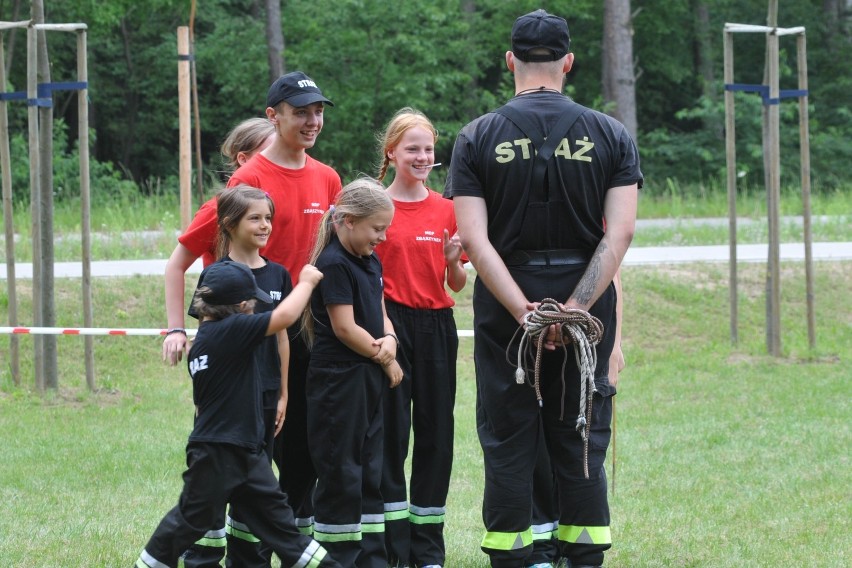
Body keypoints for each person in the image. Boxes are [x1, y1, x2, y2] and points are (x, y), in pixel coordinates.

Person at [445, 9, 642, 568]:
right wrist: (575, 312)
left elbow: (475, 242)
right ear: (568, 63)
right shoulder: (610, 133)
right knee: (579, 432)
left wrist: (525, 311)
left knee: (508, 438)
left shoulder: (477, 136)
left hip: (508, 306)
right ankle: (581, 556)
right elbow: (620, 232)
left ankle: (513, 556)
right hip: (587, 293)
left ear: (509, 61)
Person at [162, 71, 342, 542]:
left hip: (308, 333)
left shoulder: (327, 178)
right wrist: (175, 328)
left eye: (317, 111)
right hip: (251, 338)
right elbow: (182, 258)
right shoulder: (248, 181)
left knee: (303, 446)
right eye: (300, 111)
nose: (311, 120)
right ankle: (238, 548)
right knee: (244, 450)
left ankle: (294, 543)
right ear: (273, 116)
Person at [135, 259, 340, 568]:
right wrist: (308, 282)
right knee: (190, 519)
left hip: (246, 451)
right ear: (242, 306)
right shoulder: (229, 332)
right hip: (218, 453)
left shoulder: (205, 340)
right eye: (251, 303)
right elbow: (284, 316)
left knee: (281, 525)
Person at [179, 186, 293, 567]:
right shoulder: (214, 275)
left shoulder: (278, 275)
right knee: (212, 484)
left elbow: (281, 340)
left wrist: (283, 394)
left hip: (263, 397)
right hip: (224, 404)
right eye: (255, 218)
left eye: (268, 218)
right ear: (229, 224)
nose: (265, 226)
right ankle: (202, 557)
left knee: (256, 481)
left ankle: (249, 559)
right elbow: (205, 340)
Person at [374, 107, 467, 568]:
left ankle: (428, 548)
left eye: (428, 149)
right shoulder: (375, 206)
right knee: (392, 437)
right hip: (389, 328)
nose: (423, 156)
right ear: (392, 152)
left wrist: (453, 260)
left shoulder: (448, 209)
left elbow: (456, 284)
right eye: (412, 148)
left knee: (437, 435)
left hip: (436, 330)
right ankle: (394, 548)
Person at [301, 178, 404, 568]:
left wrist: (391, 336)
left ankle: (371, 558)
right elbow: (344, 328)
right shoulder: (333, 263)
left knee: (368, 468)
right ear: (346, 220)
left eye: (386, 228)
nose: (383, 236)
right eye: (377, 228)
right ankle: (337, 557)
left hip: (368, 376)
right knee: (341, 469)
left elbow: (379, 309)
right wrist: (387, 358)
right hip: (339, 380)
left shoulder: (369, 259)